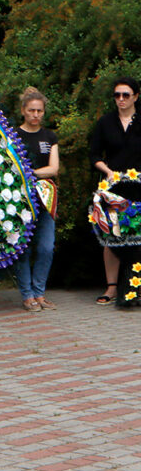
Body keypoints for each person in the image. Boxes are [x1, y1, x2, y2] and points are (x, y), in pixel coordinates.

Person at [89, 76, 141, 305]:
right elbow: (94, 155)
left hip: (140, 188)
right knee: (113, 235)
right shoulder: (105, 122)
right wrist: (107, 171)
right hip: (113, 189)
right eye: (117, 95)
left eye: (125, 95)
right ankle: (111, 287)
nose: (120, 99)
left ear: (136, 97)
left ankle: (135, 285)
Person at [14, 87, 59, 312]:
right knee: (22, 248)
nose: (35, 115)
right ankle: (27, 294)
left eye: (39, 111)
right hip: (18, 200)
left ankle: (40, 292)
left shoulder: (49, 136)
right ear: (23, 110)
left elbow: (54, 168)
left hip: (45, 199)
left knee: (46, 247)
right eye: (31, 110)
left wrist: (29, 173)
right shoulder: (12, 135)